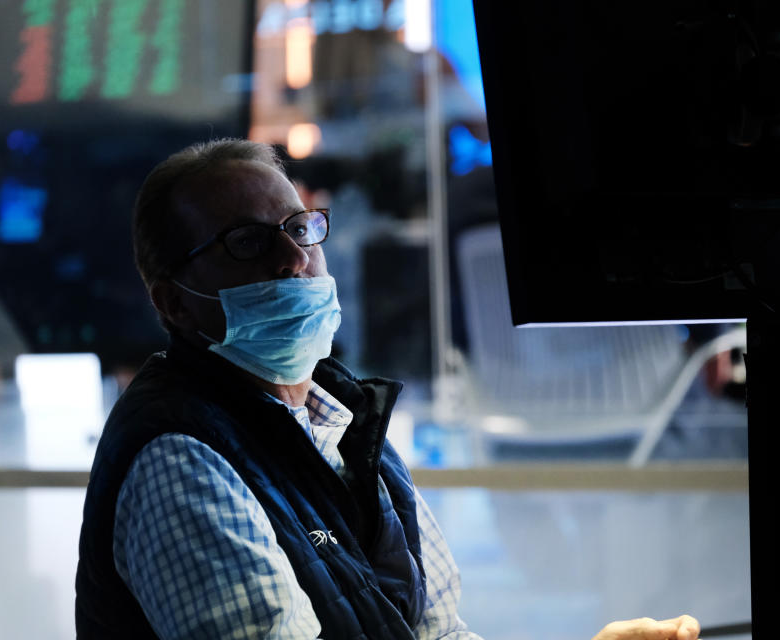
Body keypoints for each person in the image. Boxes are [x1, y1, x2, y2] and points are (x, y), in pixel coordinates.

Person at [74, 138, 701, 640]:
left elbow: (438, 633)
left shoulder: (339, 420)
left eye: (298, 228)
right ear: (174, 304)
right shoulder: (179, 456)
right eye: (246, 242)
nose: (292, 259)